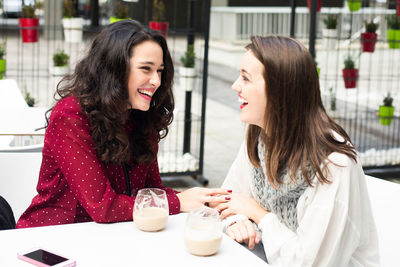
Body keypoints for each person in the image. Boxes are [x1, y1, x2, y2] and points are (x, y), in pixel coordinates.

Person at [16, 20, 228, 228]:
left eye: (160, 70)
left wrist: (204, 199)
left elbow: (151, 191)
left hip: (115, 236)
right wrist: (179, 202)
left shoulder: (143, 115)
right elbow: (103, 207)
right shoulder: (71, 116)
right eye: (146, 69)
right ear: (114, 70)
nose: (156, 80)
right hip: (53, 239)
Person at [215, 36, 379, 266]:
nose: (235, 86)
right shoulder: (259, 137)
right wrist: (238, 220)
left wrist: (258, 215)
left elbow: (309, 263)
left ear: (279, 90)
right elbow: (227, 199)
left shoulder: (333, 163)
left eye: (245, 78)